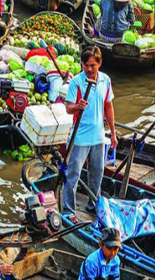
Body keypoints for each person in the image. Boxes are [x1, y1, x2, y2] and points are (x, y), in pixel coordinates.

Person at [64, 46, 118, 223]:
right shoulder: (77, 82)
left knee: (97, 173)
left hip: (99, 137)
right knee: (73, 174)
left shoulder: (105, 81)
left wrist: (113, 134)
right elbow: (68, 108)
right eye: (86, 65)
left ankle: (92, 203)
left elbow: (108, 107)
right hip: (79, 138)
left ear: (99, 63)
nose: (89, 69)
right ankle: (68, 210)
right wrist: (77, 106)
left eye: (92, 65)